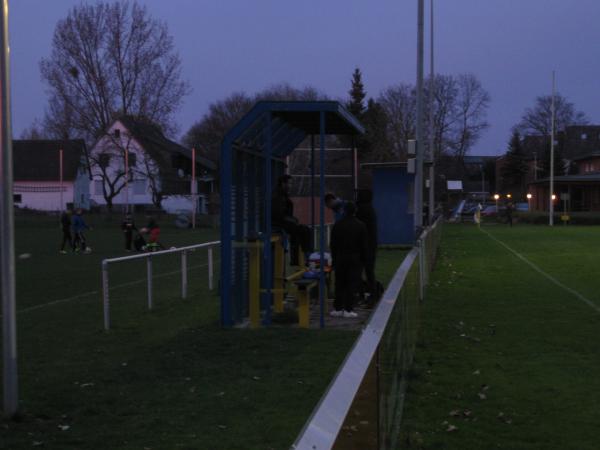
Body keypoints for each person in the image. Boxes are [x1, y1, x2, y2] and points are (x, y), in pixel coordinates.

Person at [330, 202, 369, 318]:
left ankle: (337, 308)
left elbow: (333, 244)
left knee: (339, 283)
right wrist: (364, 260)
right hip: (355, 259)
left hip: (340, 257)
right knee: (351, 283)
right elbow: (364, 245)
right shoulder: (361, 225)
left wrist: (334, 258)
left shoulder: (338, 225)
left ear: (344, 211)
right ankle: (348, 309)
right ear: (355, 211)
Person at [272, 175, 311, 265]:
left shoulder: (281, 194)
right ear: (283, 183)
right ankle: (306, 257)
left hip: (283, 222)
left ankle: (298, 259)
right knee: (304, 230)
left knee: (300, 232)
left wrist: (292, 220)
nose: (290, 185)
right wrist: (292, 220)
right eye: (289, 183)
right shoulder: (278, 196)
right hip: (279, 223)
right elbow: (278, 214)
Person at [356, 189, 378, 306]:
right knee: (369, 271)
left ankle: (361, 294)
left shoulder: (360, 209)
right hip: (371, 245)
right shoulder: (370, 209)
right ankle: (372, 295)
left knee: (358, 271)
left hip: (362, 246)